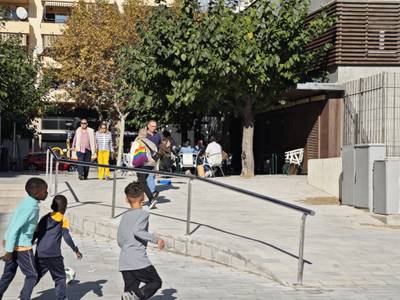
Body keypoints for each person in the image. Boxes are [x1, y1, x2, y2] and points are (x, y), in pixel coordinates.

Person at [0, 178, 48, 300]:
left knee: (8, 274)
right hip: (22, 247)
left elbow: (14, 220)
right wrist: (9, 251)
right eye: (45, 191)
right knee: (32, 275)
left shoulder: (26, 202)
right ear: (37, 193)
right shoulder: (31, 207)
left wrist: (7, 238)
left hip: (14, 244)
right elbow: (16, 226)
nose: (47, 193)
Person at [118, 182, 164, 300]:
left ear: (126, 199)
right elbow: (137, 230)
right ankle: (136, 295)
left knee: (128, 293)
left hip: (125, 261)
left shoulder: (125, 216)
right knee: (155, 282)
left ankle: (132, 295)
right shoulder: (143, 214)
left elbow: (120, 240)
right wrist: (156, 239)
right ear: (143, 197)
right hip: (138, 260)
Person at [33, 195, 83, 300]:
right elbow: (67, 238)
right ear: (65, 208)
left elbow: (36, 233)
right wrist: (76, 250)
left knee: (35, 275)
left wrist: (29, 244)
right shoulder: (62, 220)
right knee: (60, 277)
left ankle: (23, 295)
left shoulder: (44, 218)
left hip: (40, 253)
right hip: (54, 255)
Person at [130, 129, 158, 209]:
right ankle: (138, 199)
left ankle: (151, 199)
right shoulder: (151, 143)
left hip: (141, 164)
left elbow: (132, 154)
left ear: (139, 134)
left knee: (142, 182)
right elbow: (155, 153)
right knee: (141, 182)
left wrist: (132, 165)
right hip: (151, 165)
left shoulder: (137, 142)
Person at [146, 120, 161, 199]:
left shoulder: (157, 135)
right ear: (148, 126)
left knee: (151, 175)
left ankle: (150, 190)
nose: (154, 128)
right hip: (145, 157)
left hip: (154, 157)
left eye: (155, 126)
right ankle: (152, 191)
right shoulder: (144, 134)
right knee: (149, 174)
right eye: (152, 126)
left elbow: (159, 145)